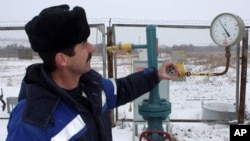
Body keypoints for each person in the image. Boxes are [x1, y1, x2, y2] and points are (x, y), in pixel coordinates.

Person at [6, 4, 180, 141]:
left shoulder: (91, 85)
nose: (92, 47)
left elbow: (122, 88)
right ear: (62, 60)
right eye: (83, 44)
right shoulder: (31, 122)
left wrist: (156, 74)